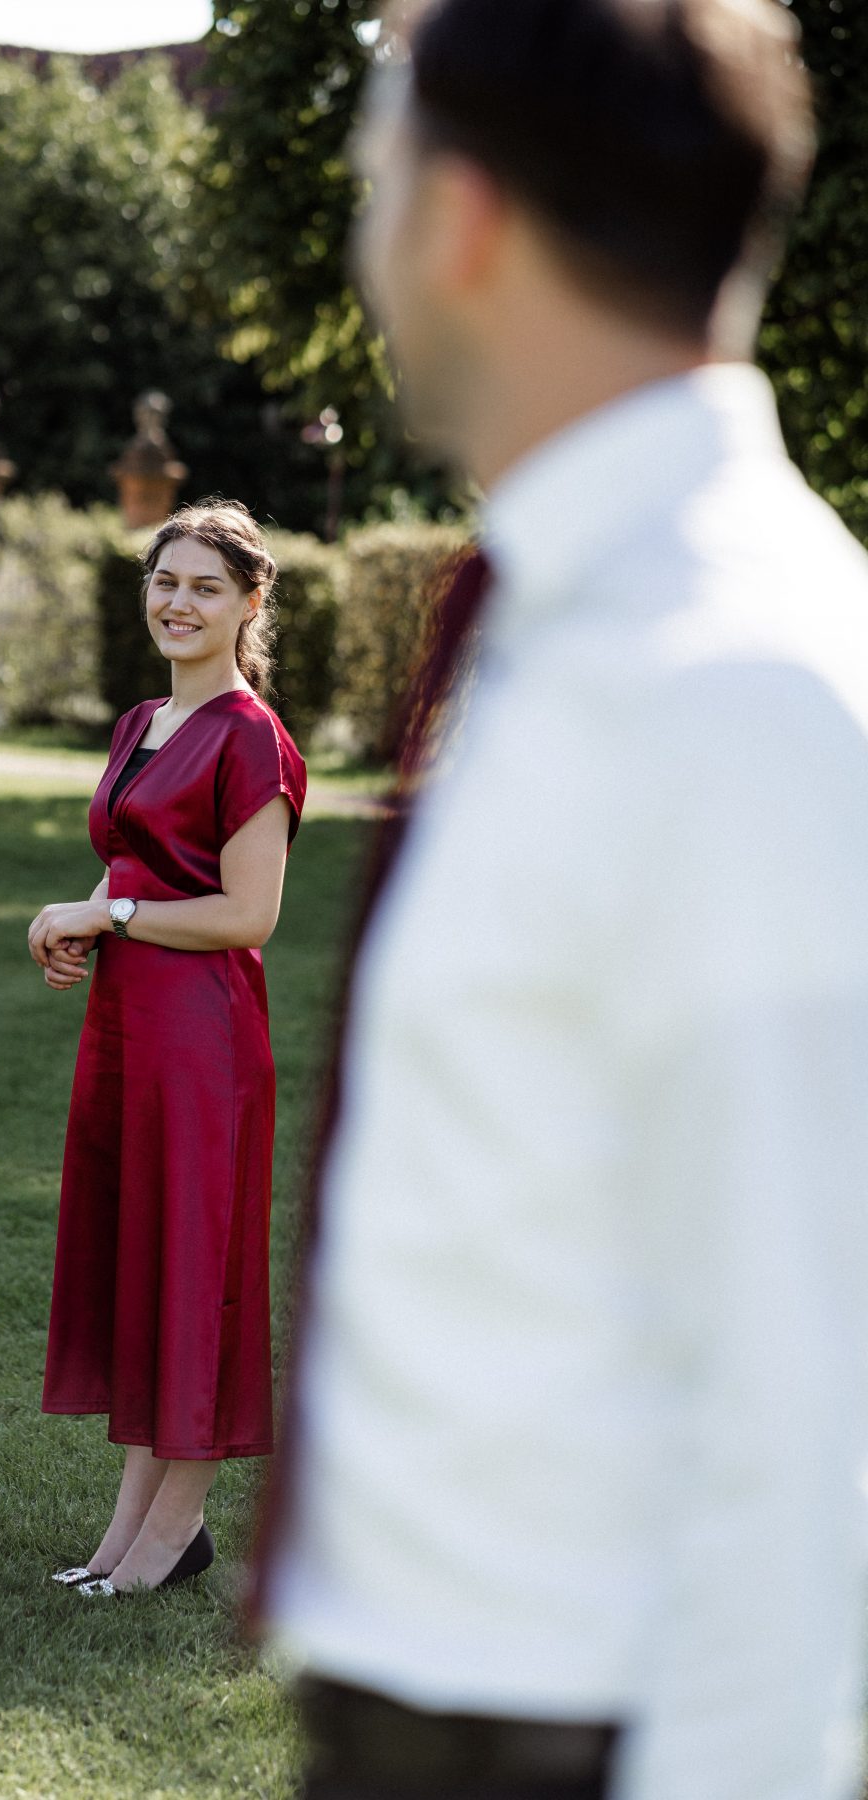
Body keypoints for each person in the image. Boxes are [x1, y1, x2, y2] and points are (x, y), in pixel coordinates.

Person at [247, 3, 868, 1798]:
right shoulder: (586, 612)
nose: (365, 248)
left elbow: (809, 1393)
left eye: (372, 185)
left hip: (570, 1732)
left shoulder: (731, 677)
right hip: (435, 1694)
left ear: (461, 221)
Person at [27, 498, 307, 1597]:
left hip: (203, 1040)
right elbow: (134, 867)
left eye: (205, 587)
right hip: (128, 1030)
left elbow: (248, 915)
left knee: (194, 1273)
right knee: (146, 1266)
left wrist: (113, 916)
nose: (179, 603)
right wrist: (77, 920)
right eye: (166, 581)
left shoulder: (251, 737)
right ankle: (131, 1534)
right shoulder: (141, 721)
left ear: (249, 603)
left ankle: (175, 1527)